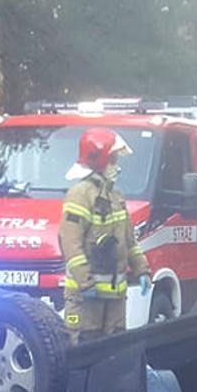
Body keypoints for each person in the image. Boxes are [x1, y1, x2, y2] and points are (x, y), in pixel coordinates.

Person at [59, 127, 150, 344]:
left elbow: (129, 242)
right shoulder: (80, 195)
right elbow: (71, 244)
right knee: (83, 347)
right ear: (99, 160)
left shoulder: (116, 197)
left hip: (114, 298)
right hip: (84, 299)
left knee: (114, 350)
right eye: (113, 160)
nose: (116, 166)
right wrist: (86, 282)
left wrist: (142, 269)